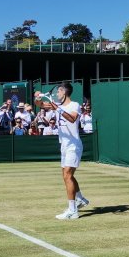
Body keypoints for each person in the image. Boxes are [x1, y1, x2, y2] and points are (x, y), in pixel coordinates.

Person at [35, 82, 89, 220]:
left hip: (73, 145)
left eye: (58, 92)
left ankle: (73, 211)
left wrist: (57, 109)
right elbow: (40, 105)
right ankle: (80, 199)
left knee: (67, 176)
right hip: (64, 146)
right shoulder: (57, 106)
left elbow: (72, 118)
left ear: (63, 92)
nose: (56, 95)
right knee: (67, 176)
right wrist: (37, 98)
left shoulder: (75, 105)